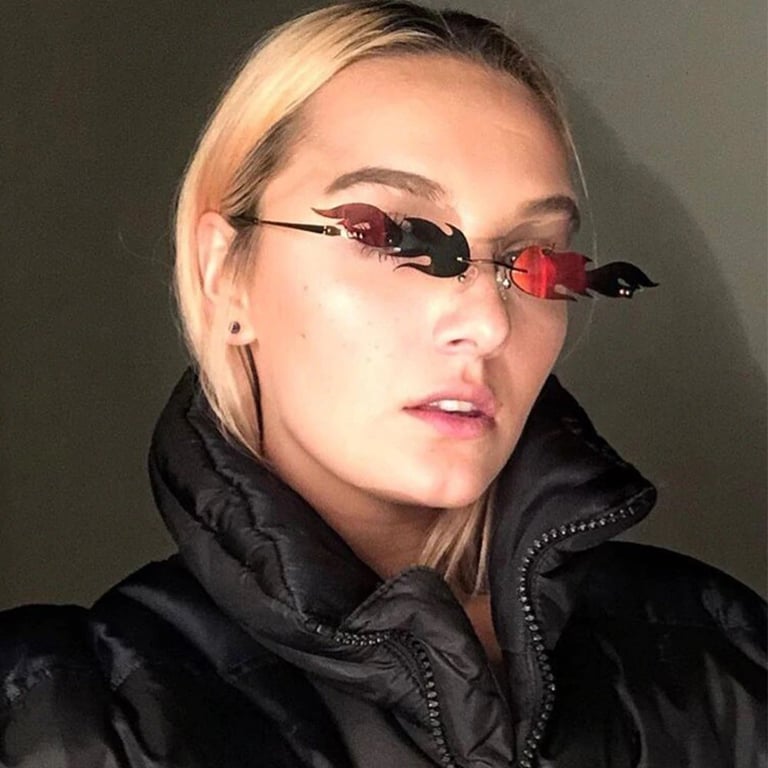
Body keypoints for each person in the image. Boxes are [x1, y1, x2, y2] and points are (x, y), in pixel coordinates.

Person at [1, 2, 764, 766]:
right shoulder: (68, 722)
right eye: (393, 236)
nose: (488, 323)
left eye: (534, 260)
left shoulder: (722, 656)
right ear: (223, 273)